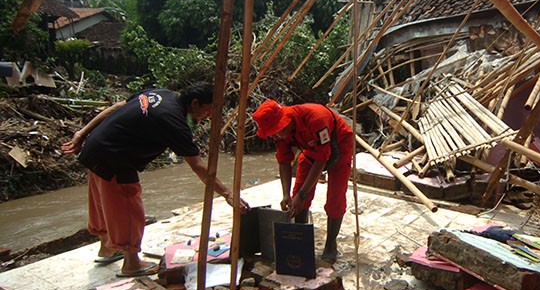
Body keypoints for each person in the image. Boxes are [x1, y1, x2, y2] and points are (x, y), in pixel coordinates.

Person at [61, 83, 249, 277]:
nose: (209, 116)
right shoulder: (174, 122)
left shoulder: (160, 94)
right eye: (208, 110)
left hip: (96, 146)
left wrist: (82, 134)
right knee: (126, 207)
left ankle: (107, 249)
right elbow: (198, 167)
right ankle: (131, 263)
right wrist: (227, 193)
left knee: (103, 201)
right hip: (115, 157)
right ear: (194, 103)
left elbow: (116, 108)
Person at [252, 99, 353, 262]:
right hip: (310, 150)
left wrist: (303, 194)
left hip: (339, 146)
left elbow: (322, 159)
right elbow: (284, 161)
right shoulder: (281, 134)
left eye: (278, 130)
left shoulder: (316, 119)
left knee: (336, 197)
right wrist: (287, 195)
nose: (277, 134)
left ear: (287, 120)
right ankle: (301, 238)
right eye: (273, 132)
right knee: (297, 194)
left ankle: (331, 244)